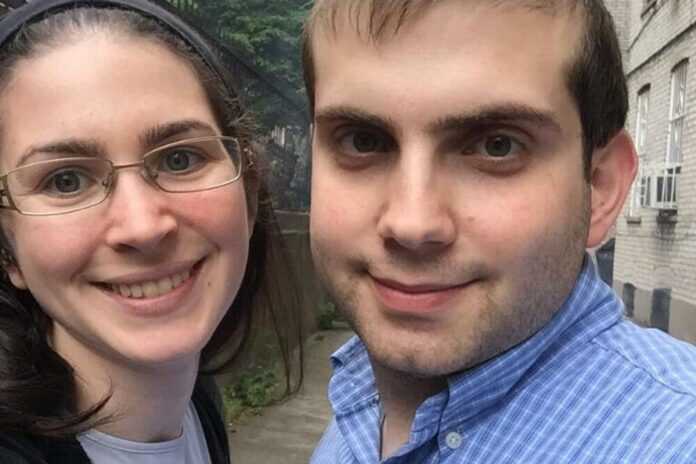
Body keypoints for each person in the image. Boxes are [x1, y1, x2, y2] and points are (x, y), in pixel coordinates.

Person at [302, 1, 696, 462]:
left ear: (600, 187)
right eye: (362, 141)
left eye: (497, 146)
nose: (411, 224)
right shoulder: (360, 397)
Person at [0, 0, 301, 462]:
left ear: (248, 191)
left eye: (180, 159)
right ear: (8, 250)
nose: (143, 227)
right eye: (66, 181)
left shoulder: (198, 403)